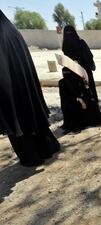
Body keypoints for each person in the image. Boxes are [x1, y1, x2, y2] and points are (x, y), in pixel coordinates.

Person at [0, 10, 60, 167]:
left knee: (17, 119)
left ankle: (32, 155)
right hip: (26, 86)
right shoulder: (12, 31)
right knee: (31, 114)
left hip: (9, 91)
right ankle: (46, 148)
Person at [59, 26, 101, 133]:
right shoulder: (77, 43)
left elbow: (85, 57)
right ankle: (90, 114)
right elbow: (89, 56)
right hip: (79, 72)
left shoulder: (68, 44)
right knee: (84, 92)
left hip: (78, 73)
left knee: (82, 92)